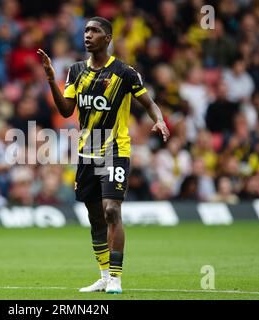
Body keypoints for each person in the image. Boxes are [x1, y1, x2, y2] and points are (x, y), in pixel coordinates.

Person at [38, 17, 169, 294]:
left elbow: (149, 103)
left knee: (112, 210)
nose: (88, 35)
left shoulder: (124, 72)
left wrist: (159, 119)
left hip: (115, 150)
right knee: (96, 216)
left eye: (94, 31)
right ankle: (104, 275)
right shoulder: (75, 71)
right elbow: (65, 111)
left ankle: (116, 278)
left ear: (107, 38)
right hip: (86, 152)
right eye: (86, 30)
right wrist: (51, 80)